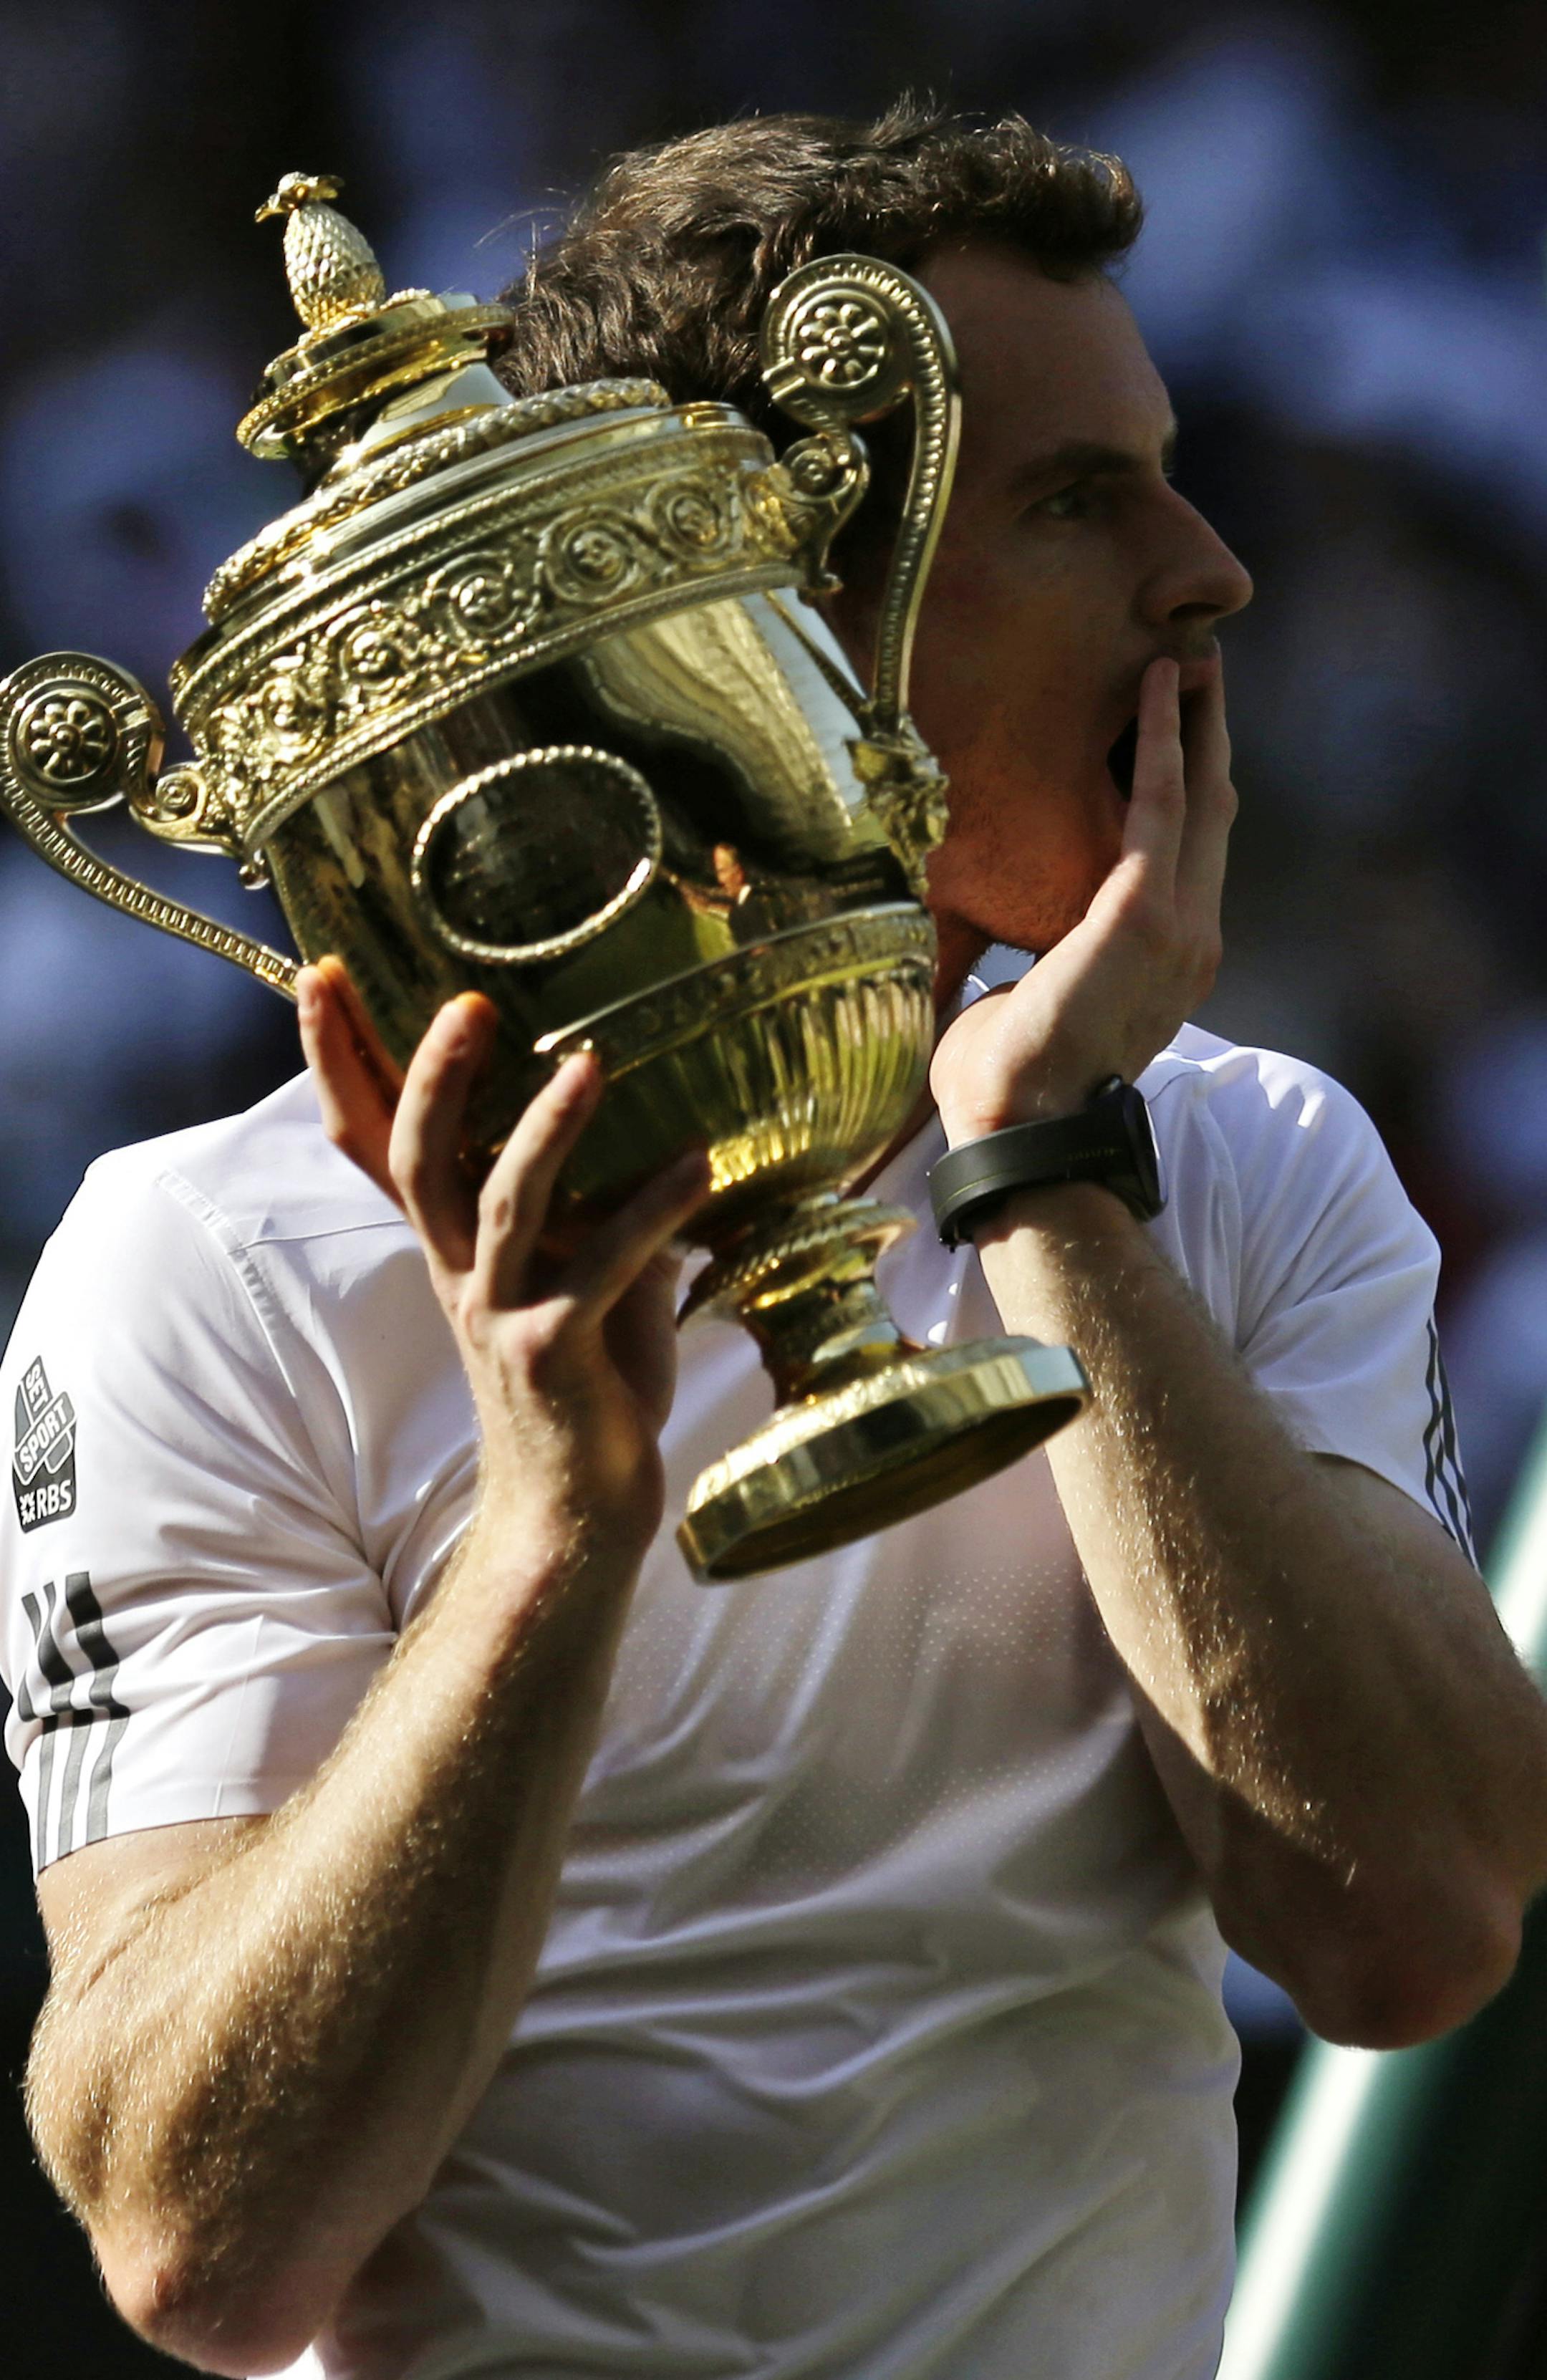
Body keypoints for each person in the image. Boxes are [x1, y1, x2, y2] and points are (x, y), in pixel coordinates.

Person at [5, 102, 1546, 2380]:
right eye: (1074, 501)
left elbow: (1414, 1932)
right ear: (764, 609)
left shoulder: (1239, 1156)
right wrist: (553, 1528)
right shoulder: (206, 1267)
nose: (1212, 569)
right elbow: (200, 2244)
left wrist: (1042, 1173)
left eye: (1171, 473)